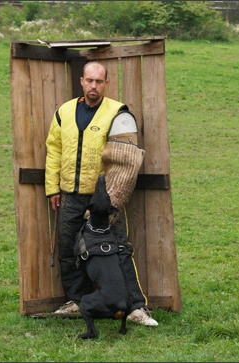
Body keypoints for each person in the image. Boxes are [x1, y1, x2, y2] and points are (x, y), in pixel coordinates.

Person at [45, 61, 158, 326]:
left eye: (99, 81)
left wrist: (114, 199)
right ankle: (78, 300)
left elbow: (126, 160)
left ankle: (134, 307)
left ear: (106, 83)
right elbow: (54, 151)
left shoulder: (117, 113)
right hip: (70, 194)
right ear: (81, 82)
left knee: (118, 249)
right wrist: (52, 188)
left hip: (104, 198)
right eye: (89, 80)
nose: (93, 86)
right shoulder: (64, 112)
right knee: (68, 250)